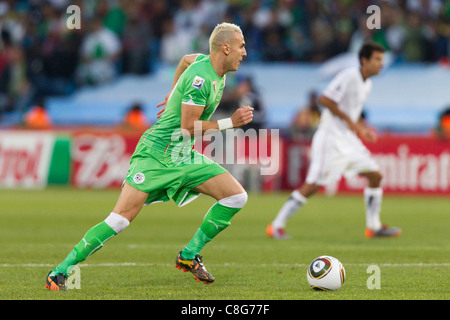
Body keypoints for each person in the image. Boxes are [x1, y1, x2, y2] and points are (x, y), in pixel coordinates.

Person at [46, 22, 253, 290]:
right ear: (225, 48)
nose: (245, 53)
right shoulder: (201, 80)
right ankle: (60, 272)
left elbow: (184, 59)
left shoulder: (212, 66)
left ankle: (189, 255)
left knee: (236, 196)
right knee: (120, 219)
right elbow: (187, 128)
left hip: (183, 155)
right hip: (155, 155)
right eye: (241, 46)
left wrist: (172, 92)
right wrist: (230, 123)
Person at [267, 42, 401, 240]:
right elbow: (325, 99)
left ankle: (373, 227)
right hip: (330, 138)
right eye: (377, 59)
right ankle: (276, 226)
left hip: (348, 138)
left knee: (375, 175)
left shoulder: (367, 84)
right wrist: (349, 121)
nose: (381, 64)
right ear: (364, 60)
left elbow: (351, 113)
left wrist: (362, 129)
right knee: (313, 185)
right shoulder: (350, 76)